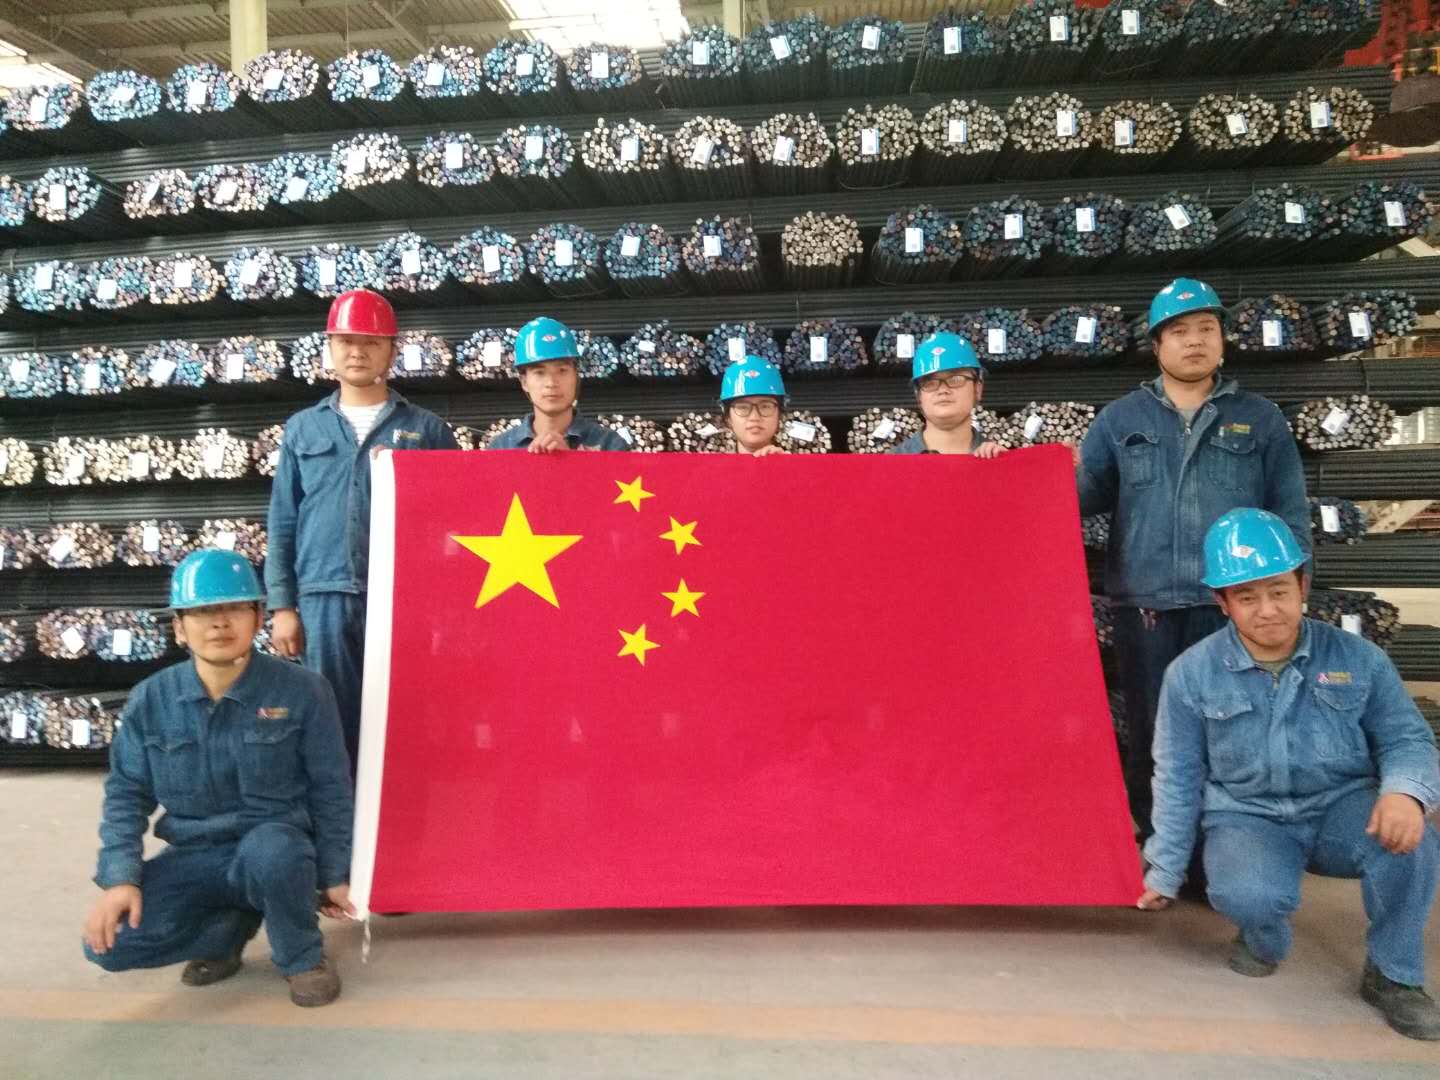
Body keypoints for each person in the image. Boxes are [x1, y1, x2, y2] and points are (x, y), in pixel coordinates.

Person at [1138, 509, 1440, 1040]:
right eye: (1246, 597)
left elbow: (1407, 738)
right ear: (1223, 603)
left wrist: (1406, 794)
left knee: (1412, 844)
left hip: (1342, 808)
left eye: (1278, 591)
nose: (1267, 610)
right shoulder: (1190, 675)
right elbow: (1178, 776)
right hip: (1248, 816)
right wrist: (1164, 868)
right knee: (1246, 893)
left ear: (1302, 585)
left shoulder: (1359, 659)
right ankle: (1262, 934)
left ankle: (1394, 974)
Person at [1076, 278, 1311, 838]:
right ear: (1157, 345)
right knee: (1153, 732)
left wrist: (1291, 597)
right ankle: (1160, 848)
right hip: (1147, 609)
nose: (1195, 340)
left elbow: (1290, 512)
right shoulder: (1120, 421)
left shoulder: (1260, 419)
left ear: (1223, 341)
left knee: (1235, 731)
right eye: (1179, 331)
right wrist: (1016, 472)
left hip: (1231, 605)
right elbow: (1075, 501)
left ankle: (1230, 846)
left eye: (1207, 328)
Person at [83, 550, 355, 1008]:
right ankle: (225, 933)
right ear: (178, 626)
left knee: (277, 853)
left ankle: (302, 956)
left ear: (258, 617)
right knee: (109, 946)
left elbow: (331, 788)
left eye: (234, 608)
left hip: (275, 849)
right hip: (194, 855)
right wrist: (119, 879)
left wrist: (334, 873)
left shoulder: (304, 691)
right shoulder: (152, 699)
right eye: (202, 612)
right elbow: (126, 795)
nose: (219, 623)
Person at [265, 288, 458, 767]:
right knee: (330, 720)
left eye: (371, 342)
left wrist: (442, 608)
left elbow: (453, 527)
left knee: (405, 716)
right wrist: (283, 606)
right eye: (346, 341)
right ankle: (339, 811)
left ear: (392, 351)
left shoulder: (427, 431)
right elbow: (283, 521)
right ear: (329, 348)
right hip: (323, 596)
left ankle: (400, 810)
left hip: (403, 600)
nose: (357, 352)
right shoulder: (302, 429)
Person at [489, 317, 631, 452]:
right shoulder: (501, 448)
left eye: (562, 370)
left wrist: (569, 461)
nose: (551, 383)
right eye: (539, 373)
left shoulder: (609, 444)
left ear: (576, 376)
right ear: (524, 382)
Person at [890, 331, 1004, 457]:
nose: (943, 390)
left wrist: (1005, 464)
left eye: (955, 379)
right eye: (930, 383)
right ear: (918, 396)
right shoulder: (892, 463)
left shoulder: (996, 460)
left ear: (977, 389)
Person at [720, 355, 789, 457]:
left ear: (779, 415)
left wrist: (785, 465)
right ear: (728, 418)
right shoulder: (712, 466)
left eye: (765, 406)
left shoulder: (799, 465)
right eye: (743, 407)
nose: (754, 417)